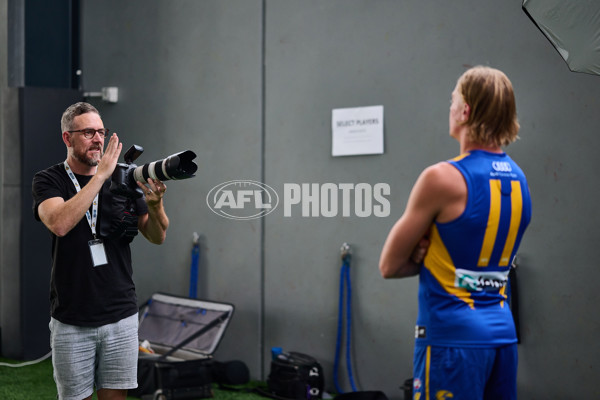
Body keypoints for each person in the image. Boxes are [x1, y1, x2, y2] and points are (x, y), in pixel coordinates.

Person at [379, 66, 532, 400]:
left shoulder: (442, 178)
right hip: (502, 340)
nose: (449, 108)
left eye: (453, 100)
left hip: (452, 341)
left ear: (465, 111)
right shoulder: (519, 179)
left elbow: (389, 265)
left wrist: (423, 256)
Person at [32, 102, 170, 400]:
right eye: (88, 132)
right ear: (68, 138)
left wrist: (156, 207)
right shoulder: (49, 180)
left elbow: (157, 236)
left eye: (101, 131)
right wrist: (101, 177)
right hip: (72, 317)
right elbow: (59, 223)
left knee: (115, 397)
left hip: (120, 313)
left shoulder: (124, 179)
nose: (98, 139)